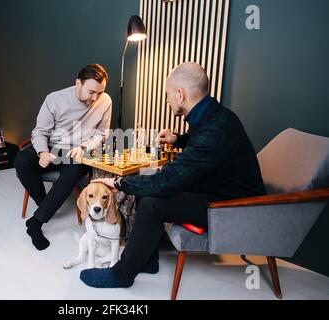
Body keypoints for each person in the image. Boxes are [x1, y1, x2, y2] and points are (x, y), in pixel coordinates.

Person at [80, 62, 266, 288]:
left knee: (152, 201)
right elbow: (201, 141)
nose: (167, 102)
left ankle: (122, 274)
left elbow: (166, 180)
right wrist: (178, 139)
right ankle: (148, 260)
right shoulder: (216, 116)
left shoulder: (215, 130)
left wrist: (119, 182)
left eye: (168, 96)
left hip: (233, 208)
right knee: (148, 186)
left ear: (180, 94)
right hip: (218, 190)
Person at [14, 64, 112, 251]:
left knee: (74, 169)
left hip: (79, 151)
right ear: (78, 83)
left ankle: (36, 222)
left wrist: (84, 147)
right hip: (52, 147)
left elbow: (102, 133)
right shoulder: (54, 99)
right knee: (22, 160)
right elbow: (40, 131)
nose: (95, 98)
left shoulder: (105, 100)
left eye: (100, 92)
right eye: (91, 92)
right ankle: (44, 204)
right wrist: (42, 152)